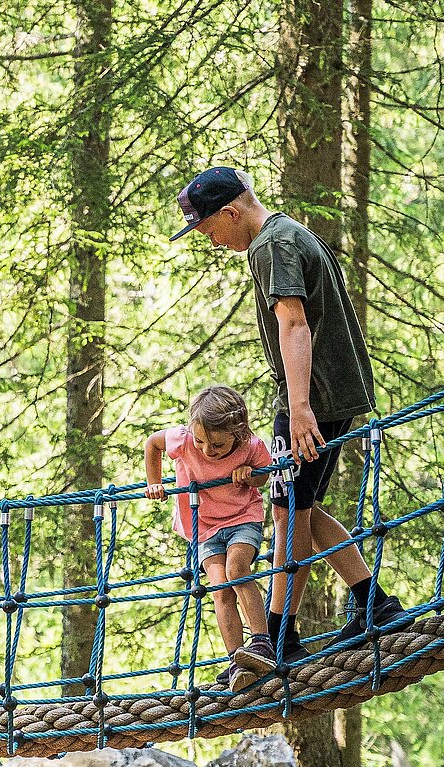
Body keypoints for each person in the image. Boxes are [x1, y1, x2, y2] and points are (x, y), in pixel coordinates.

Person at [170, 166, 404, 659]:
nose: (212, 241)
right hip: (329, 391)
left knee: (286, 511)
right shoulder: (286, 233)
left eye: (210, 229)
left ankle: (279, 634)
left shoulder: (270, 246)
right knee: (301, 507)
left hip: (312, 397)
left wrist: (299, 409)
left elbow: (294, 323)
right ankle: (370, 600)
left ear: (231, 213)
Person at [143, 386, 276, 685]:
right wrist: (154, 482)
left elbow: (264, 474)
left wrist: (249, 474)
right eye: (201, 441)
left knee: (237, 569)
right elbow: (152, 444)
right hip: (204, 527)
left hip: (243, 517)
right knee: (220, 589)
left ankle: (262, 642)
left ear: (237, 432)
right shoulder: (184, 439)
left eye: (216, 444)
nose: (207, 450)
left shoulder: (251, 446)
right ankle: (237, 660)